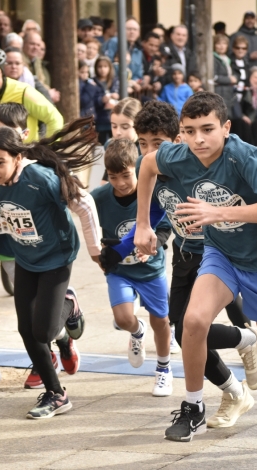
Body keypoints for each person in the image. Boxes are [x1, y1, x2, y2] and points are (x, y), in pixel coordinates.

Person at [134, 91, 257, 442]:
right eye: (190, 130)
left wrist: (218, 213)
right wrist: (142, 225)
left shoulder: (246, 157)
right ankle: (194, 407)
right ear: (181, 132)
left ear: (226, 127)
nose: (199, 139)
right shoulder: (179, 155)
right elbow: (148, 164)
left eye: (207, 129)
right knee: (192, 322)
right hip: (220, 253)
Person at [102, 100, 257, 427]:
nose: (148, 152)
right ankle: (235, 387)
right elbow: (149, 215)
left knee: (196, 329)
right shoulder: (151, 171)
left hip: (218, 255)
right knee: (183, 335)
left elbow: (239, 199)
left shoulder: (192, 166)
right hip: (184, 255)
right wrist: (128, 244)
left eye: (157, 144)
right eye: (142, 144)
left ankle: (245, 340)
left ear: (178, 138)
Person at [0, 118, 99, 418]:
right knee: (25, 329)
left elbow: (84, 204)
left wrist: (96, 250)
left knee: (42, 330)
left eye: (0, 162)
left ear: (18, 158)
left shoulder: (41, 178)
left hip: (57, 255)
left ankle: (69, 307)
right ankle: (56, 393)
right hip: (26, 258)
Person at [92, 138, 174, 395]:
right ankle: (137, 333)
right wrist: (101, 254)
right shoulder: (99, 198)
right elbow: (87, 223)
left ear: (138, 168)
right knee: (124, 318)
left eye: (126, 175)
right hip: (120, 271)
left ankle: (163, 369)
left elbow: (163, 227)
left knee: (160, 321)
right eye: (113, 177)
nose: (120, 183)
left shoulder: (151, 193)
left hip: (150, 270)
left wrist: (153, 246)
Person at [93, 56, 119, 144]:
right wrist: (101, 100)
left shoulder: (114, 81)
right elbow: (91, 99)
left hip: (114, 117)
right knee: (102, 142)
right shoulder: (93, 82)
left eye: (105, 66)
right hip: (100, 118)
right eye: (100, 67)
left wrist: (116, 96)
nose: (102, 69)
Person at [213, 35, 236, 116]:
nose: (221, 46)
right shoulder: (213, 58)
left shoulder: (227, 59)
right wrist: (229, 80)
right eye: (218, 43)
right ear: (214, 45)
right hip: (219, 91)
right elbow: (214, 77)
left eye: (224, 43)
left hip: (228, 93)